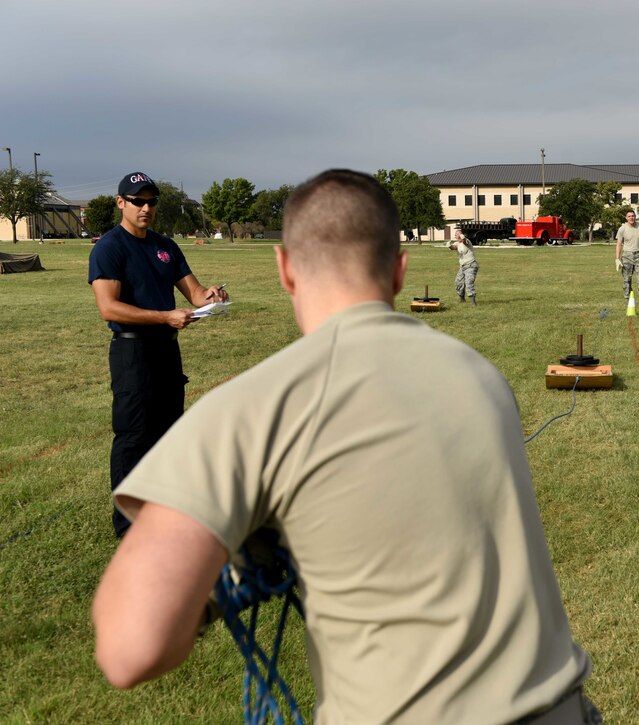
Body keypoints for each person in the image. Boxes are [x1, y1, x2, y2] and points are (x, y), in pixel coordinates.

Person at [92, 170, 597, 724]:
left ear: (285, 269)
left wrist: (241, 561)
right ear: (400, 270)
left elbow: (127, 648)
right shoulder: (481, 375)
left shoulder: (256, 409)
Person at [88, 172, 228, 538]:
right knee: (134, 436)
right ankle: (128, 525)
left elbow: (194, 293)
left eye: (151, 202)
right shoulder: (109, 248)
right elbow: (109, 307)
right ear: (121, 202)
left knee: (168, 432)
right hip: (133, 351)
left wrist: (210, 297)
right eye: (138, 201)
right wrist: (164, 316)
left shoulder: (165, 245)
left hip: (167, 350)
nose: (146, 208)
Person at [614, 209, 639, 308]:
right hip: (627, 256)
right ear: (626, 218)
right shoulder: (622, 229)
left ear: (635, 217)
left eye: (633, 216)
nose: (631, 218)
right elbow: (619, 244)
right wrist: (617, 258)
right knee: (626, 280)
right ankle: (629, 302)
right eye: (629, 216)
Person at [448, 228, 479, 305]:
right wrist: (449, 245)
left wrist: (462, 237)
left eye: (458, 235)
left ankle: (473, 303)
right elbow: (453, 247)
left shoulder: (467, 241)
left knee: (469, 283)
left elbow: (464, 241)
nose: (457, 236)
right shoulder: (457, 244)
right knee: (458, 282)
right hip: (463, 267)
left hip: (471, 266)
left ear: (462, 235)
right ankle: (462, 300)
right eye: (456, 235)